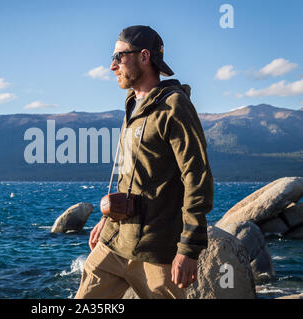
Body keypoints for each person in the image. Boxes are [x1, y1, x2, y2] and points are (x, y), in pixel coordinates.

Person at [75, 25, 214, 299]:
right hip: (115, 243)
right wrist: (109, 219)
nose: (112, 65)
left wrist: (189, 248)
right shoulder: (132, 104)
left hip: (157, 251)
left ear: (144, 56)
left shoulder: (174, 106)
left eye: (118, 56)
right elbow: (131, 174)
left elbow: (196, 177)